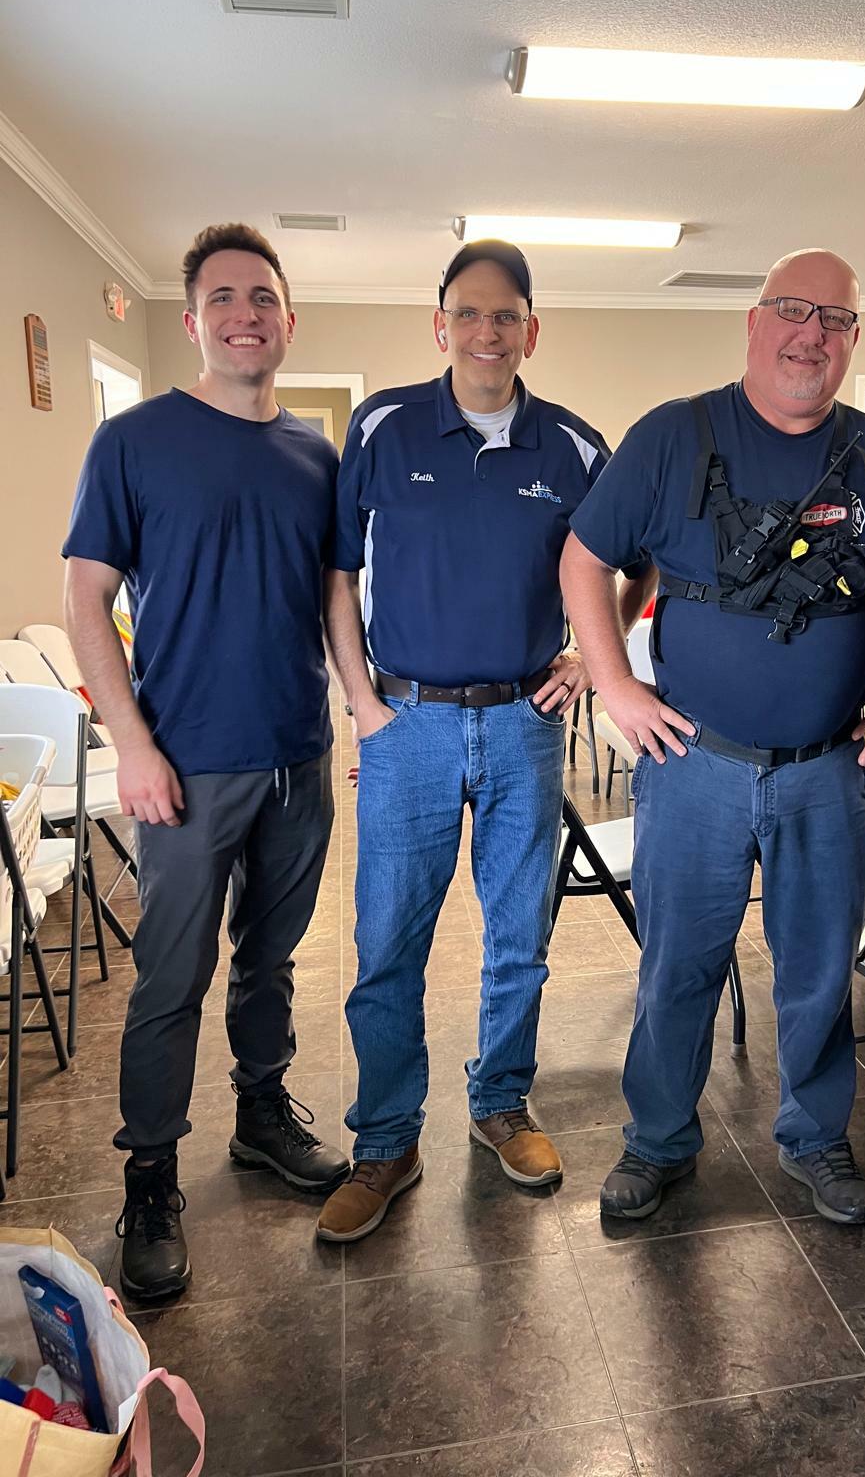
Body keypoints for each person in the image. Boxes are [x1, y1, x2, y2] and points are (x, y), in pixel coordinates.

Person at [317, 239, 651, 1243]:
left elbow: (637, 565)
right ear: (440, 325)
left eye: (506, 315)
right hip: (406, 722)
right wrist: (362, 705)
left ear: (531, 331)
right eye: (468, 313)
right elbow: (335, 575)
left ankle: (500, 1101)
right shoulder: (381, 426)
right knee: (388, 945)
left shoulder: (576, 447)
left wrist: (591, 662)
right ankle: (384, 1139)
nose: (487, 330)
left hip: (523, 723)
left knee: (520, 940)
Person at [561, 249, 865, 1222]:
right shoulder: (675, 436)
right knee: (677, 964)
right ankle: (658, 1139)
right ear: (754, 322)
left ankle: (816, 1137)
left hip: (828, 770)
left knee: (819, 968)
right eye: (794, 311)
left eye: (835, 319)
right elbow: (586, 556)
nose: (812, 334)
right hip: (694, 764)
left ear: (853, 339)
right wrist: (615, 682)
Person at [64, 224, 349, 1302]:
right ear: (192, 319)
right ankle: (149, 1177)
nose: (245, 313)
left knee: (272, 959)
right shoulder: (134, 442)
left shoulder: (317, 456)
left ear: (287, 317)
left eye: (262, 297)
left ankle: (261, 1115)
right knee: (170, 979)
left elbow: (331, 601)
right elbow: (86, 597)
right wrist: (131, 744)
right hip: (183, 769)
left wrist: (356, 710)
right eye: (223, 297)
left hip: (296, 756)